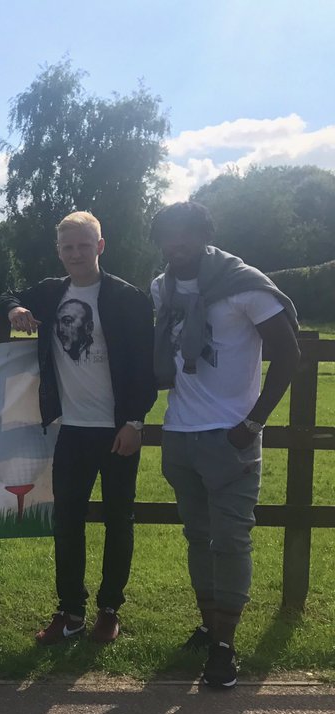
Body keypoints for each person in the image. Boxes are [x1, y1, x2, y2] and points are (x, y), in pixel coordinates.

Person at [150, 201, 299, 689]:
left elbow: (289, 354)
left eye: (187, 233)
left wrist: (253, 423)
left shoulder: (244, 285)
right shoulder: (162, 288)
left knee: (231, 541)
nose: (178, 243)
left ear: (204, 234)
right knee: (198, 538)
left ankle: (224, 647)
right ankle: (210, 624)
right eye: (169, 235)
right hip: (180, 434)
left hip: (231, 436)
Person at [0, 211, 156, 646]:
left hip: (118, 431)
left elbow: (146, 368)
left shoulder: (128, 298)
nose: (76, 254)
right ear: (58, 251)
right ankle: (70, 611)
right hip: (73, 430)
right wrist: (17, 309)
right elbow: (5, 295)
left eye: (85, 245)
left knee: (119, 520)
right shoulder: (51, 293)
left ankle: (109, 608)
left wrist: (135, 422)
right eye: (68, 247)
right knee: (67, 522)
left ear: (100, 246)